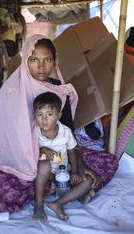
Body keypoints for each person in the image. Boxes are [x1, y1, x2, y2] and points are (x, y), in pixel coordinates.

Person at [0, 35, 119, 216]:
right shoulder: (13, 90)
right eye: (34, 60)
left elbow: (68, 131)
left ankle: (55, 189)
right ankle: (57, 190)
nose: (41, 67)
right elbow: (8, 136)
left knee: (108, 162)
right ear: (26, 59)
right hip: (23, 161)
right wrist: (40, 151)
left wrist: (79, 167)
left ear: (55, 61)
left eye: (47, 60)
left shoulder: (59, 90)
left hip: (58, 156)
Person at [33, 92, 97, 221]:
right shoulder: (35, 133)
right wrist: (42, 149)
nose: (44, 119)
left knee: (88, 181)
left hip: (64, 170)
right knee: (44, 165)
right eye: (40, 115)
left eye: (49, 114)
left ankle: (58, 203)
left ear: (58, 116)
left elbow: (72, 151)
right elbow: (27, 150)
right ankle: (39, 205)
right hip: (47, 173)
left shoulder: (66, 132)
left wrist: (74, 171)